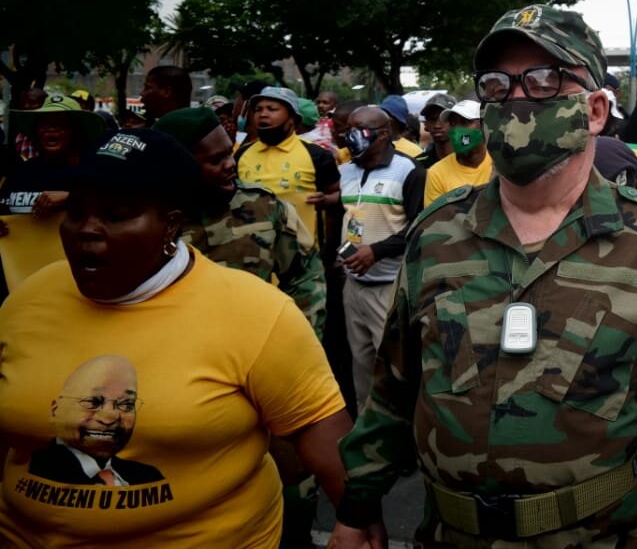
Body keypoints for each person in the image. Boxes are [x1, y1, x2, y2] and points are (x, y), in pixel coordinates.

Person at [329, 5, 637, 549]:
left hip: (602, 536)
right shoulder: (437, 233)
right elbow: (394, 389)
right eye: (498, 85)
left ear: (595, 110)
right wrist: (356, 506)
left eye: (546, 80)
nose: (518, 99)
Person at [0, 129, 352, 548]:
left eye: (116, 214)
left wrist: (354, 521)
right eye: (76, 212)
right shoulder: (28, 298)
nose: (86, 231)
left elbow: (320, 431)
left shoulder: (256, 312)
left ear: (170, 226)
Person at [155, 106, 331, 547]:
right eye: (213, 160)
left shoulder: (265, 207)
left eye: (229, 153)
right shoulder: (150, 221)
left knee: (294, 485)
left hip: (266, 379)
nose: (230, 163)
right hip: (181, 388)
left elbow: (306, 278)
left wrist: (292, 347)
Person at [335, 106, 425, 408]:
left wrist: (376, 251)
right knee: (360, 364)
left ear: (384, 134)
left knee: (390, 366)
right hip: (354, 286)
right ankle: (365, 429)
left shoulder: (408, 171)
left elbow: (417, 227)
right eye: (348, 128)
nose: (350, 136)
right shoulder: (346, 170)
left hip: (389, 287)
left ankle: (398, 437)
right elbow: (346, 217)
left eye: (358, 129)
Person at [27, 355, 164, 486]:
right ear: (55, 411)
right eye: (93, 401)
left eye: (126, 404)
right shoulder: (32, 469)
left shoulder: (149, 477)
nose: (110, 417)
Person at [237, 86, 342, 246]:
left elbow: (339, 197)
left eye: (272, 109)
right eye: (258, 109)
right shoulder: (241, 154)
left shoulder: (316, 155)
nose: (263, 114)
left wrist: (327, 200)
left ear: (293, 118)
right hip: (253, 257)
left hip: (303, 259)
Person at [1, 93, 106, 219]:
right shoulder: (21, 171)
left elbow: (112, 207)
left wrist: (70, 198)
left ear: (76, 132)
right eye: (45, 124)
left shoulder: (92, 172)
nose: (51, 129)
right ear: (36, 131)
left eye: (60, 124)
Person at [423, 99, 491, 204]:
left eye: (465, 122)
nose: (457, 130)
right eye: (453, 124)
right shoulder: (436, 174)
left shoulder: (500, 164)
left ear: (483, 125)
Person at [416, 93, 457, 170]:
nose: (437, 126)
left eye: (444, 119)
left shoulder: (472, 159)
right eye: (432, 119)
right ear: (425, 125)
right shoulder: (418, 165)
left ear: (457, 122)